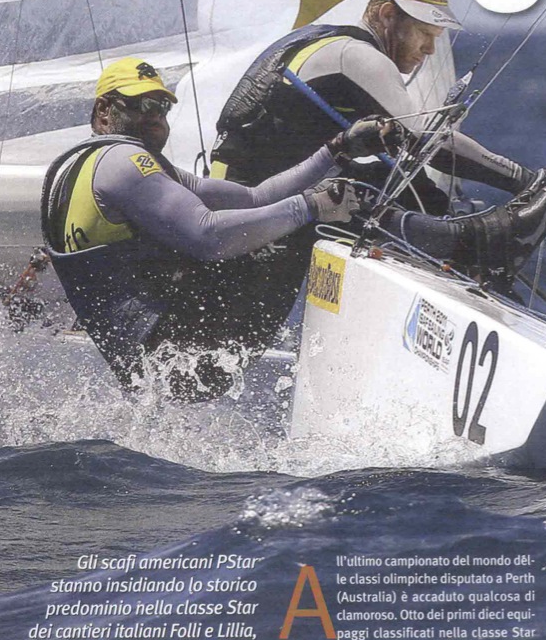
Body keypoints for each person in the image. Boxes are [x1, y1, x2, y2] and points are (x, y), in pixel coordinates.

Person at [211, 0, 546, 312]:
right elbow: (429, 143)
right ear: (386, 15)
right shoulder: (357, 56)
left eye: (435, 37)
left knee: (412, 190)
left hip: (250, 196)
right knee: (234, 336)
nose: (430, 50)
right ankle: (473, 246)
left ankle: (464, 270)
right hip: (250, 212)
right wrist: (526, 180)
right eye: (424, 33)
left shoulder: (325, 40)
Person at [40, 55, 386, 401]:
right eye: (144, 105)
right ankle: (362, 372)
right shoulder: (123, 162)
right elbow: (210, 236)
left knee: (276, 218)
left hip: (153, 369)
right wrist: (312, 207)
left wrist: (336, 150)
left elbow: (253, 198)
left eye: (162, 107)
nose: (157, 118)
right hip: (184, 354)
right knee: (298, 228)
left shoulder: (80, 168)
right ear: (104, 111)